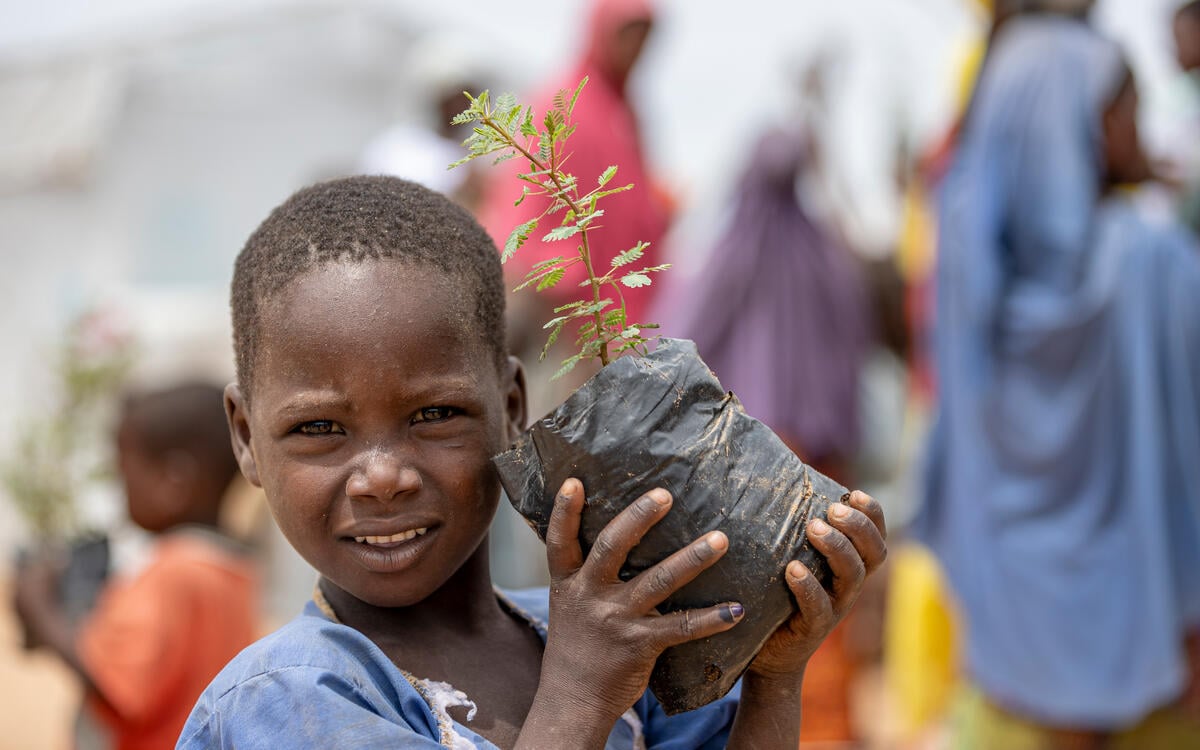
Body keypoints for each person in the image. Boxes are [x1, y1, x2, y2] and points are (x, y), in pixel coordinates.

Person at [177, 175, 887, 748]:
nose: (383, 475)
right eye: (320, 427)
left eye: (434, 415)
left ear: (514, 408)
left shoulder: (616, 637)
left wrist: (773, 672)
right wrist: (579, 692)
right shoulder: (292, 697)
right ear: (247, 437)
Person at [916, 15, 1200, 749]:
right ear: (1068, 126)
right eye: (1125, 109)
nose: (1141, 130)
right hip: (1160, 672)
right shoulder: (1155, 263)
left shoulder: (968, 275)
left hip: (1004, 676)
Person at [14, 382, 260, 750]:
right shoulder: (232, 569)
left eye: (124, 473)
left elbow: (117, 685)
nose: (120, 490)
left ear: (172, 481)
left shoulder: (171, 571)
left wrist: (41, 610)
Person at [479, 0, 671, 400]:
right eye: (628, 35)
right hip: (566, 309)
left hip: (618, 309)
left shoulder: (623, 113)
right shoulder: (563, 103)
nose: (636, 49)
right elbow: (525, 203)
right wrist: (563, 273)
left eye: (644, 38)